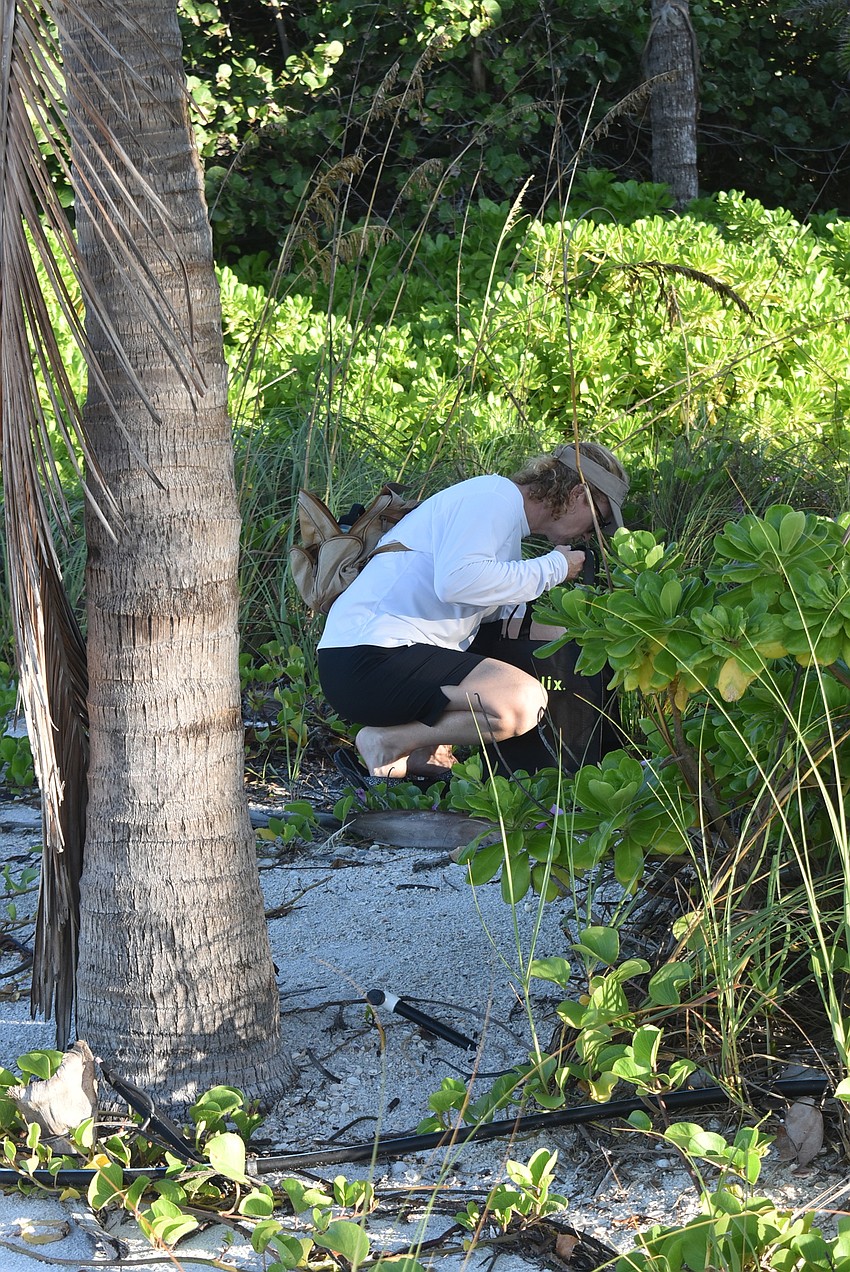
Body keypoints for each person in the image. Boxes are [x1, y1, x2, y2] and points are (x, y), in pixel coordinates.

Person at [317, 441, 629, 781]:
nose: (590, 533)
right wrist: (555, 566)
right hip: (369, 657)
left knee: (501, 676)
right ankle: (386, 741)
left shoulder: (502, 517)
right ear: (577, 495)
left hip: (372, 658)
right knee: (522, 702)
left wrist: (586, 631)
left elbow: (498, 615)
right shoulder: (490, 499)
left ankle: (411, 757)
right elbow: (457, 583)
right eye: (598, 520)